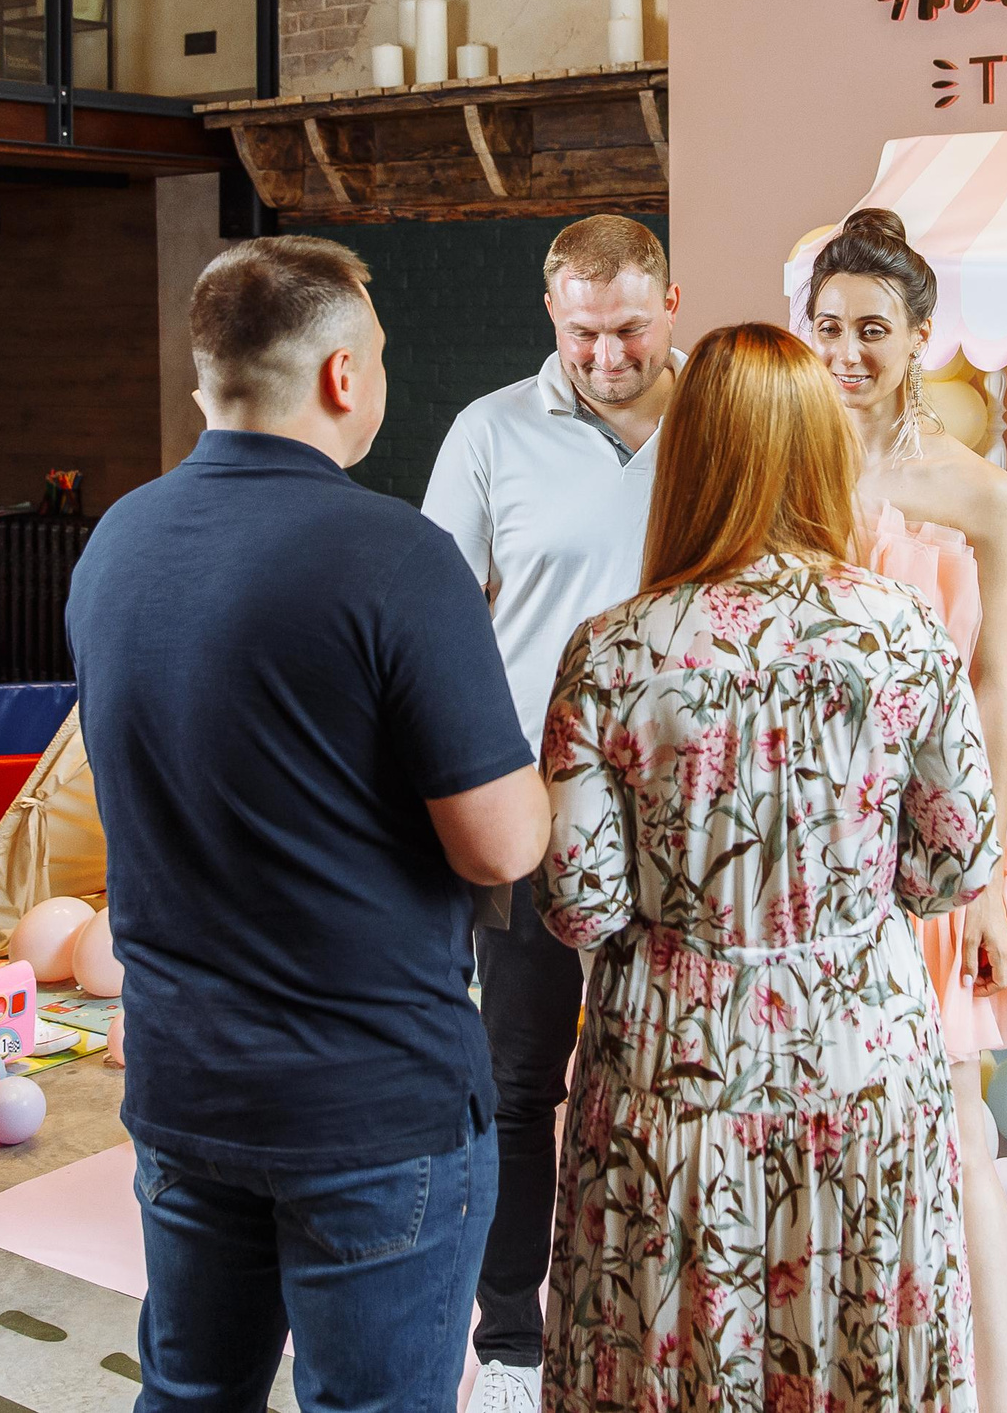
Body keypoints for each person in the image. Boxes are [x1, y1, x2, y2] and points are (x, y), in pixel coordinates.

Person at [67, 236, 549, 1411]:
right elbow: (498, 844)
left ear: (207, 378)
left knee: (188, 1392)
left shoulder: (117, 541)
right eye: (378, 356)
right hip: (367, 1106)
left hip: (185, 1085)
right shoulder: (397, 557)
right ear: (344, 375)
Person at [536, 323, 1000, 1413]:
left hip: (672, 1069)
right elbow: (953, 863)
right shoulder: (902, 633)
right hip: (863, 1059)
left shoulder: (613, 648)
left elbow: (580, 899)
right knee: (852, 1341)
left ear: (686, 457)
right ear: (820, 452)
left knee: (673, 1343)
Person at [806, 207, 1007, 1413]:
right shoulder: (784, 466)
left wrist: (985, 866)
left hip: (932, 838)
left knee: (955, 1134)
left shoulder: (976, 490)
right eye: (828, 326)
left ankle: (989, 1392)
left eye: (872, 329)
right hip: (810, 836)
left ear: (921, 336)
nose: (846, 351)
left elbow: (989, 687)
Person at [421, 214, 680, 1413]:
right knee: (518, 1077)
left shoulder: (717, 424)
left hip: (687, 813)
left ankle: (661, 1315)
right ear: (551, 315)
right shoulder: (488, 431)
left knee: (674, 1078)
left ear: (669, 303)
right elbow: (438, 618)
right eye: (583, 331)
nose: (607, 353)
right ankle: (513, 1343)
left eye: (627, 327)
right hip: (533, 806)